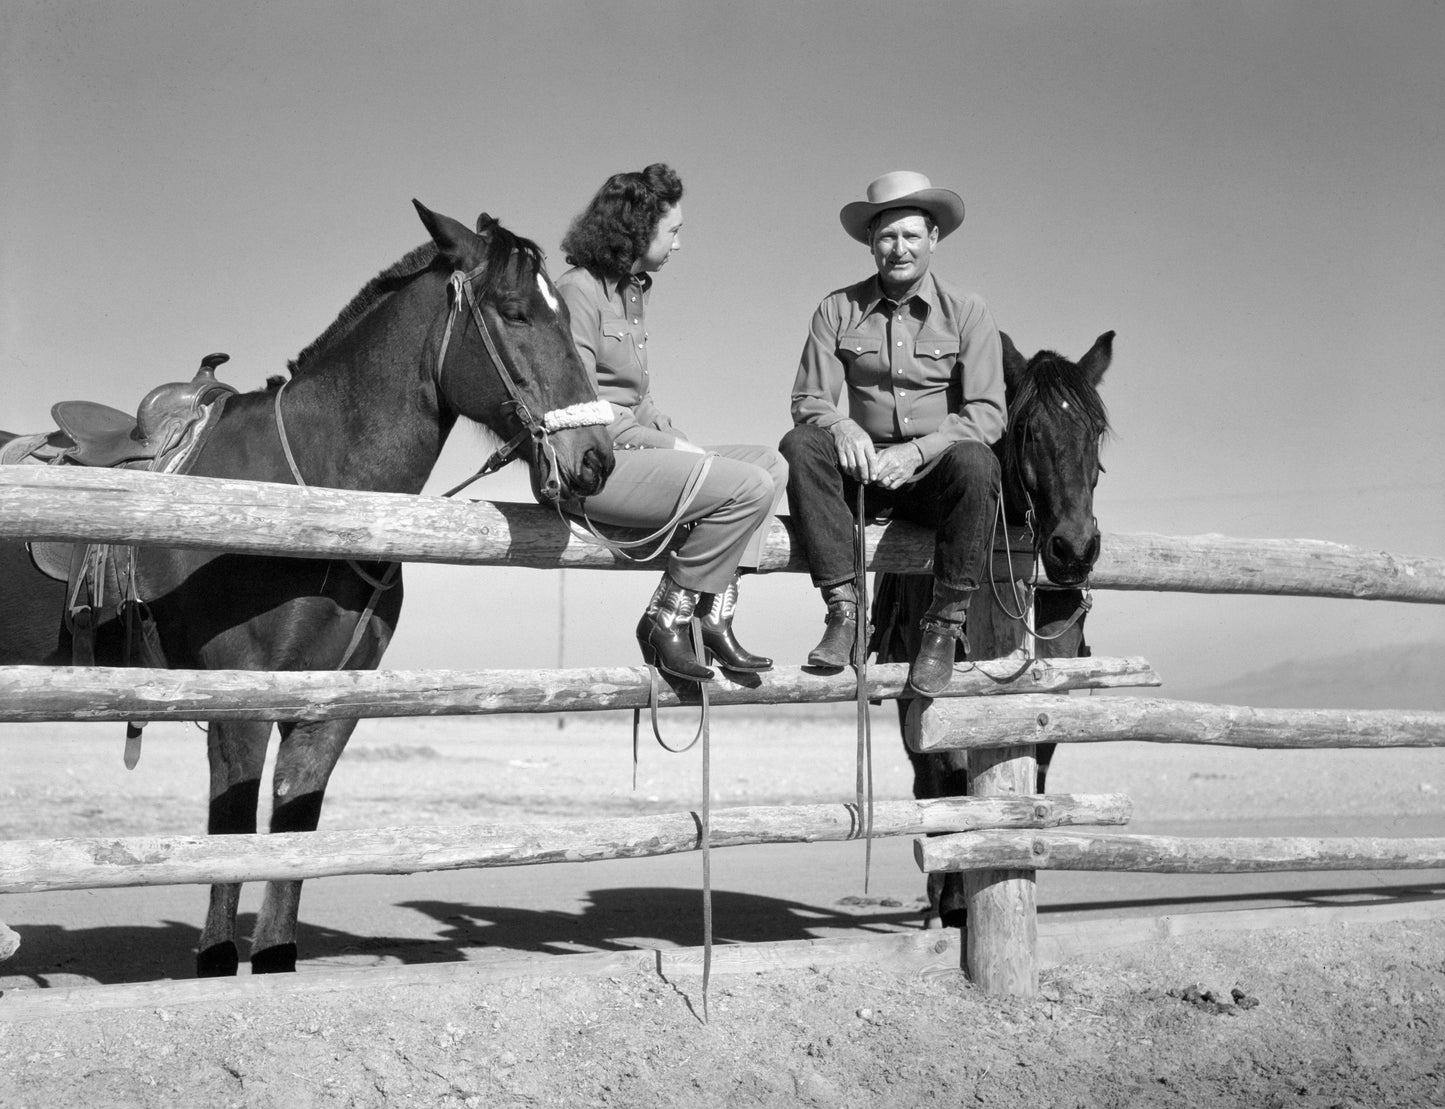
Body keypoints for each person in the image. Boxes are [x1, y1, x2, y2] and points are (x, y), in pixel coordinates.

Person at [556, 164, 787, 681]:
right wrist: (677, 453)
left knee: (769, 465)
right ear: (638, 231)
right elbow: (585, 414)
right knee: (746, 486)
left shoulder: (630, 293)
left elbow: (638, 399)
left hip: (632, 451)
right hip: (591, 467)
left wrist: (674, 438)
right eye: (673, 231)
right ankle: (667, 616)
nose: (679, 245)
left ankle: (711, 614)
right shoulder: (578, 292)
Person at [779, 170, 1005, 696]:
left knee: (978, 462)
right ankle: (844, 613)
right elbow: (808, 400)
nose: (898, 249)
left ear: (934, 239)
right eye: (886, 237)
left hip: (932, 477)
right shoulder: (837, 308)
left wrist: (918, 452)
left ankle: (944, 627)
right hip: (864, 475)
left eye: (910, 236)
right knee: (801, 445)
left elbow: (988, 413)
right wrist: (841, 427)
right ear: (870, 244)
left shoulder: (968, 311)